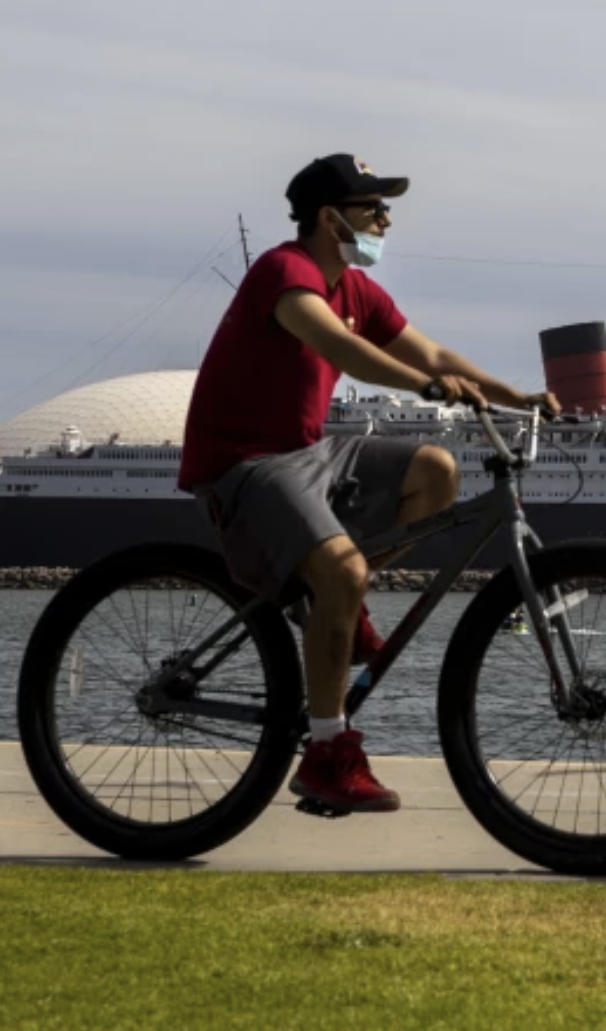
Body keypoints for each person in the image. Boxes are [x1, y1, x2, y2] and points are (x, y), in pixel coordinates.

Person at [178, 154, 560, 812]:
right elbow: (342, 348)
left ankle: (338, 600)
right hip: (244, 463)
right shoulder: (285, 270)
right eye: (373, 207)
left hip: (307, 453)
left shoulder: (358, 291)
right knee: (343, 570)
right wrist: (425, 385)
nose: (386, 219)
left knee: (437, 471)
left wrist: (515, 397)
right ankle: (326, 752)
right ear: (330, 218)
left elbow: (435, 354)